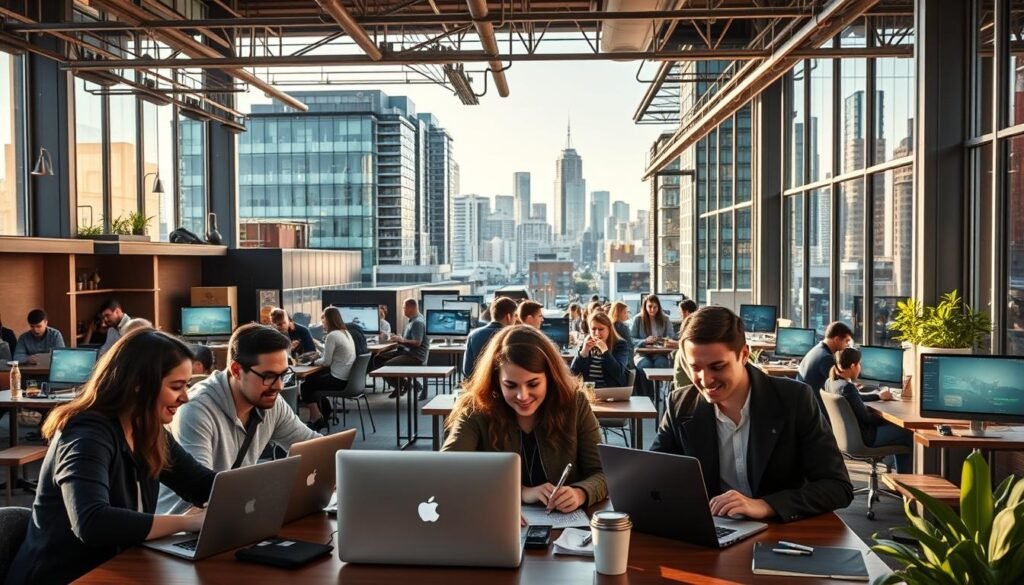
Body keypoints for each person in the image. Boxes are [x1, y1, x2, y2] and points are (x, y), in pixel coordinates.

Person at [7, 329, 216, 584]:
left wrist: (261, 494)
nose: (185, 397)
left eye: (187, 386)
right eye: (176, 387)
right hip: (64, 576)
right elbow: (92, 522)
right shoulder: (86, 435)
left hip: (115, 567)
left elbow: (202, 484)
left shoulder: (147, 430)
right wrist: (187, 522)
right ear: (138, 383)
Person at [652, 306, 853, 522]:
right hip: (712, 533)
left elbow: (837, 487)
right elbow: (653, 477)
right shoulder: (680, 405)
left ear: (744, 355)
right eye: (695, 368)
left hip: (782, 534)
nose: (705, 379)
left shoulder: (794, 399)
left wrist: (766, 505)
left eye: (717, 367)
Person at [157, 323, 319, 515]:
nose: (279, 386)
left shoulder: (269, 400)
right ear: (236, 370)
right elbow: (203, 492)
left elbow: (313, 446)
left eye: (283, 375)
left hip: (237, 513)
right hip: (185, 528)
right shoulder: (195, 409)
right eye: (268, 376)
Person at [443, 326, 607, 512]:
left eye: (533, 384)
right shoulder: (477, 408)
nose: (523, 396)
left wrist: (580, 493)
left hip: (566, 529)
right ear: (496, 381)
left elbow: (602, 472)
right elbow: (448, 472)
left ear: (550, 378)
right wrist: (519, 492)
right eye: (511, 385)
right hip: (497, 522)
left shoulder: (575, 404)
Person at [823, 347, 913, 472]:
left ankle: (902, 482)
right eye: (859, 364)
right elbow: (868, 418)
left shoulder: (832, 382)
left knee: (901, 432)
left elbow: (856, 398)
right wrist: (891, 419)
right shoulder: (847, 388)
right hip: (866, 438)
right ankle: (905, 484)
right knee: (908, 433)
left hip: (847, 439)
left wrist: (878, 396)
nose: (860, 367)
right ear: (853, 365)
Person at [301, 307, 357, 430]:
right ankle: (325, 412)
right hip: (348, 379)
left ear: (328, 319)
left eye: (323, 319)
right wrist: (319, 348)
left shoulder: (332, 335)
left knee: (306, 385)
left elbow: (326, 362)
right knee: (313, 380)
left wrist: (312, 362)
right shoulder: (345, 333)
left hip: (338, 380)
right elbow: (333, 354)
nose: (322, 322)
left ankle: (316, 418)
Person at [383, 299, 429, 400]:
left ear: (411, 308)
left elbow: (417, 342)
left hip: (415, 356)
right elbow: (408, 339)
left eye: (404, 308)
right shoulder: (412, 320)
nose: (402, 310)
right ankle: (404, 386)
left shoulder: (417, 322)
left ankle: (407, 385)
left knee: (386, 366)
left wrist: (402, 340)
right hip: (407, 352)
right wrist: (398, 338)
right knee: (378, 359)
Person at [570, 312, 630, 388]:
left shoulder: (620, 345)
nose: (597, 333)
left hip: (611, 391)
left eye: (601, 329)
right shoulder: (586, 343)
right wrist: (583, 352)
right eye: (593, 329)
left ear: (609, 330)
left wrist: (605, 351)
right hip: (588, 391)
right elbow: (573, 373)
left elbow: (618, 373)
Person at [463, 297, 518, 378]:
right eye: (515, 316)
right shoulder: (514, 336)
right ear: (508, 317)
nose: (516, 319)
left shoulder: (473, 335)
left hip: (479, 387)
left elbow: (467, 371)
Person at [796, 321, 854, 397]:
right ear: (836, 339)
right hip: (814, 405)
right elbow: (843, 391)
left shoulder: (817, 350)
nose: (847, 345)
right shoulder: (826, 358)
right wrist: (873, 395)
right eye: (846, 341)